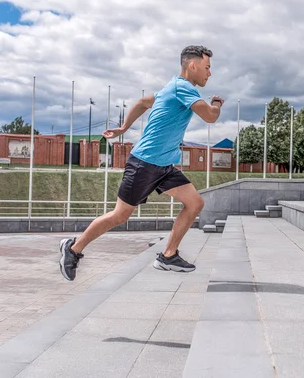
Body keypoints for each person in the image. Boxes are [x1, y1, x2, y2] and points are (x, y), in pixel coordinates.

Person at [59, 45, 224, 281]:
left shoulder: (171, 86)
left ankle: (168, 255)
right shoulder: (183, 87)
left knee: (195, 203)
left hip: (164, 165)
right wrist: (217, 103)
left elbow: (142, 102)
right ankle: (73, 248)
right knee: (120, 216)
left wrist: (124, 128)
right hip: (145, 163)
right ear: (192, 65)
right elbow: (210, 116)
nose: (209, 73)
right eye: (207, 67)